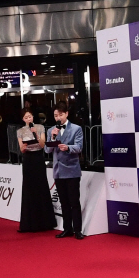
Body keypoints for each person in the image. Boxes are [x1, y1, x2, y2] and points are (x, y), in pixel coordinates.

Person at [45, 102, 85, 240]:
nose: (58, 118)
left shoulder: (76, 129)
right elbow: (47, 150)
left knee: (74, 202)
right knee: (64, 203)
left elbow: (79, 147)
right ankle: (67, 229)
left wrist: (67, 148)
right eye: (56, 115)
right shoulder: (51, 130)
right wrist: (53, 138)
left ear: (66, 114)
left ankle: (78, 230)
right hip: (58, 171)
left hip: (72, 170)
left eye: (61, 114)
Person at [17, 108, 57, 233]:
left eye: (30, 116)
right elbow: (21, 149)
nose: (28, 119)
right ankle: (29, 223)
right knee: (29, 188)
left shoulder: (40, 127)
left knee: (41, 186)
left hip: (39, 158)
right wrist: (24, 146)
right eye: (26, 117)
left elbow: (42, 144)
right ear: (23, 119)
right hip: (28, 159)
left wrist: (36, 135)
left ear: (33, 117)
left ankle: (46, 222)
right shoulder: (20, 131)